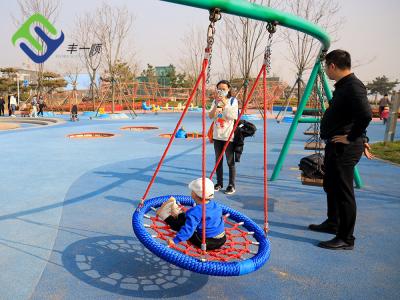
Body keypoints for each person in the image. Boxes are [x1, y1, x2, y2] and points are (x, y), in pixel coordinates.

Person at [309, 49, 372, 250]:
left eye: (327, 67)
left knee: (344, 191)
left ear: (332, 66)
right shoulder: (344, 86)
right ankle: (333, 222)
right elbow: (352, 116)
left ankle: (346, 238)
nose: (326, 72)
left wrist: (353, 137)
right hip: (335, 145)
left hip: (345, 147)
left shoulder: (354, 86)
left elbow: (365, 115)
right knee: (331, 185)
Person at [157, 177, 226, 250]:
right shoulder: (216, 206)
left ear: (194, 194)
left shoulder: (195, 211)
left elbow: (188, 231)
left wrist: (175, 240)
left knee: (181, 225)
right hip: (222, 239)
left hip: (206, 243)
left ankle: (164, 215)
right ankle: (177, 213)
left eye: (192, 190)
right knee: (190, 218)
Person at [208, 80, 239, 195]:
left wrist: (224, 103)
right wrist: (216, 104)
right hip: (217, 136)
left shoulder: (232, 101)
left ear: (228, 89)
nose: (221, 91)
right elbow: (211, 116)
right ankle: (219, 182)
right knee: (218, 161)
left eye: (223, 89)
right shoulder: (215, 101)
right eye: (219, 89)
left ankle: (231, 185)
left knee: (230, 161)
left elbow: (233, 116)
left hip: (228, 136)